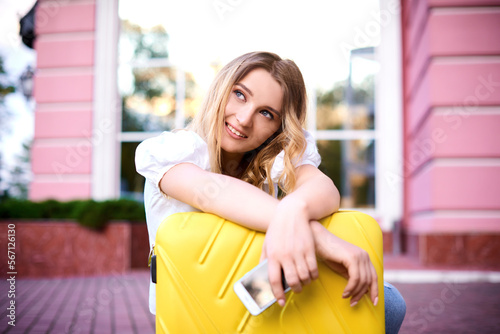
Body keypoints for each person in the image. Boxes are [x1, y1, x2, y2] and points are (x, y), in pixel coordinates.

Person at [135, 51, 405, 333]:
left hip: (259, 292)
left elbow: (323, 188)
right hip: (194, 305)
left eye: (266, 113)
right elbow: (213, 192)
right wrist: (318, 238)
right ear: (221, 89)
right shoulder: (173, 153)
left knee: (387, 302)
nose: (244, 118)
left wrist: (293, 209)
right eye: (239, 94)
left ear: (278, 127)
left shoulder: (273, 161)